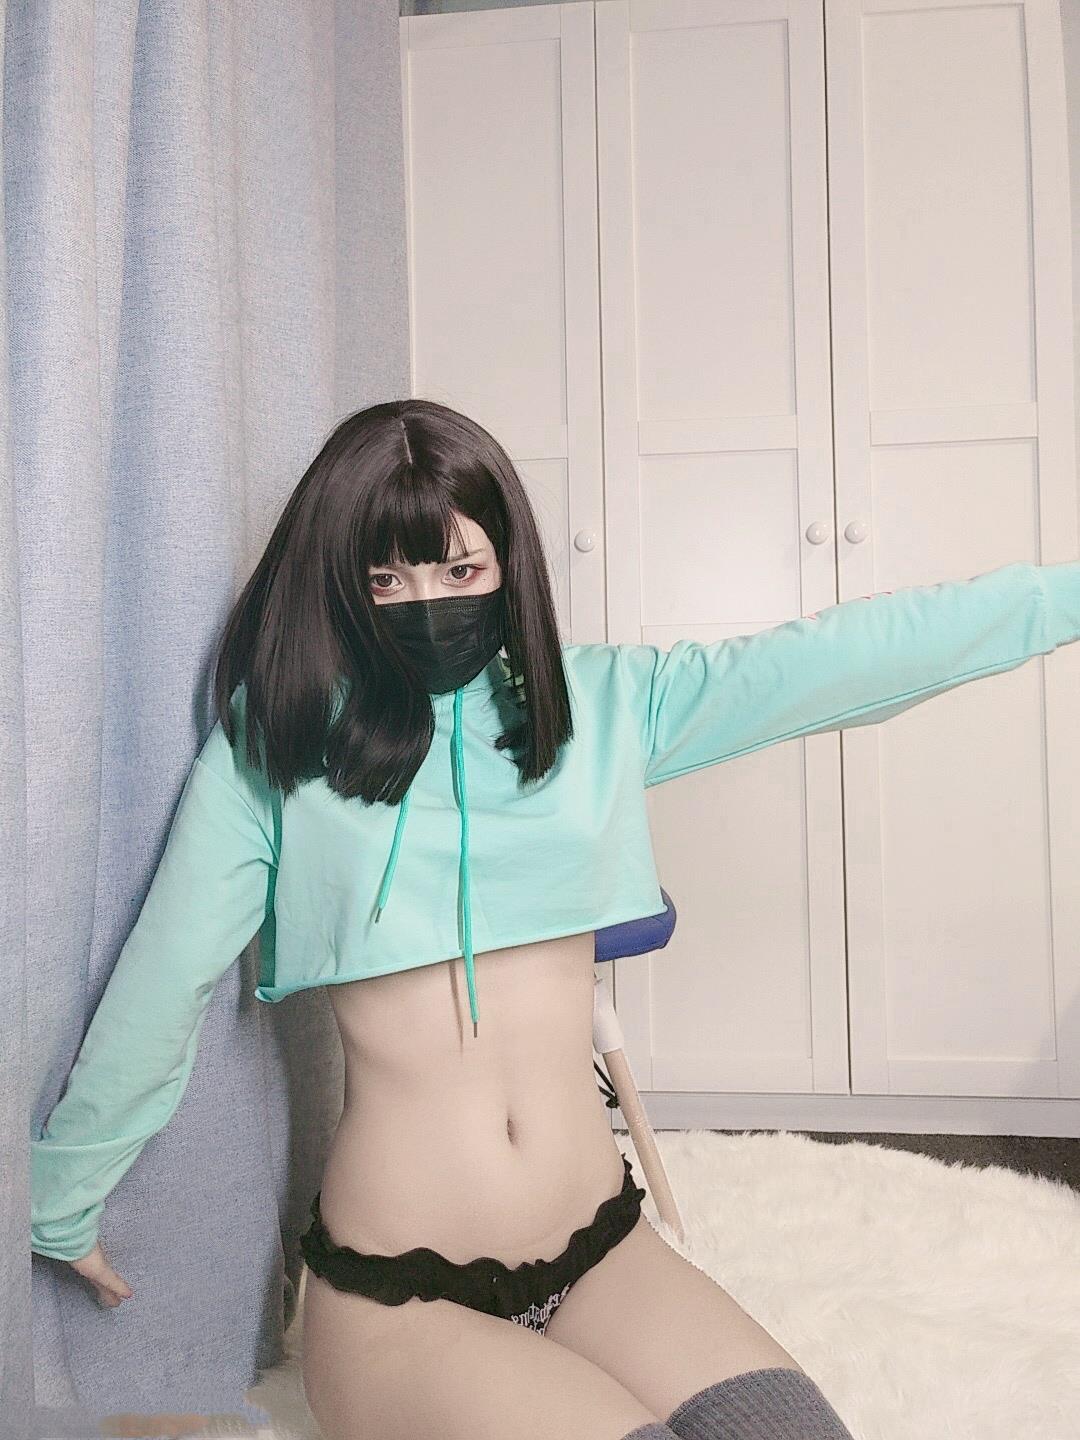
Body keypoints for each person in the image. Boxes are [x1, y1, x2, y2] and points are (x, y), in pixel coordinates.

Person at [31, 399, 1080, 1440]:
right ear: (340, 585)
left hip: (600, 1252)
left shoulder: (598, 706)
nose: (425, 603)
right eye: (385, 580)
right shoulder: (279, 745)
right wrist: (64, 1197)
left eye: (459, 570)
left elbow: (842, 659)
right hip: (403, 1299)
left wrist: (1062, 598)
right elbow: (164, 978)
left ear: (508, 565)